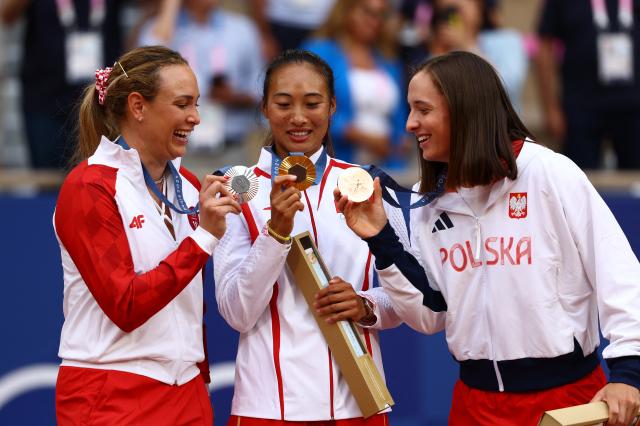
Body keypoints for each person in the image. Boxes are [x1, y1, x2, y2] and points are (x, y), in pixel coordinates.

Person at [335, 51, 640, 426]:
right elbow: (429, 315)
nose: (411, 124)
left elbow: (619, 272)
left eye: (423, 109)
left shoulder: (549, 173)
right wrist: (381, 238)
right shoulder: (429, 200)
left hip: (567, 400)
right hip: (474, 405)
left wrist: (629, 373)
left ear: (464, 109)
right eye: (410, 110)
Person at [53, 45, 241, 425]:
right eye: (183, 104)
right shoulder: (89, 186)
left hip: (187, 390)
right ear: (138, 107)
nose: (196, 118)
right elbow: (126, 305)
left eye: (197, 104)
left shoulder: (190, 187)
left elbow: (191, 306)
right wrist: (203, 237)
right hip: (110, 390)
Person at [213, 49, 401, 425]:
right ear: (264, 107)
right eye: (283, 103)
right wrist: (275, 234)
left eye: (312, 103)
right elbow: (236, 312)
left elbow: (411, 300)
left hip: (357, 405)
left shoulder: (369, 184)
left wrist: (366, 305)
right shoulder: (237, 187)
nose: (298, 117)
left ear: (332, 106)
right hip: (266, 409)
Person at [0, 0, 125, 169]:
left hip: (101, 99)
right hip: (44, 99)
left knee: (98, 173)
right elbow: (7, 15)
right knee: (47, 175)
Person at [138, 0, 264, 150]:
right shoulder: (163, 28)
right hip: (178, 148)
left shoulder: (242, 28)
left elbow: (261, 89)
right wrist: (170, 9)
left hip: (231, 146)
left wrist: (234, 97)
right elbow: (145, 69)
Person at [302, 0, 408, 170]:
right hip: (335, 162)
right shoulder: (319, 53)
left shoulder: (389, 62)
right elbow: (306, 107)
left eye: (381, 15)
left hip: (386, 167)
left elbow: (400, 114)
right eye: (367, 12)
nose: (375, 21)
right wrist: (360, 136)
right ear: (346, 11)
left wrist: (400, 140)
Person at [535, 0, 640, 169]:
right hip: (581, 106)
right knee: (578, 178)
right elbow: (545, 47)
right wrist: (551, 108)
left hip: (634, 105)